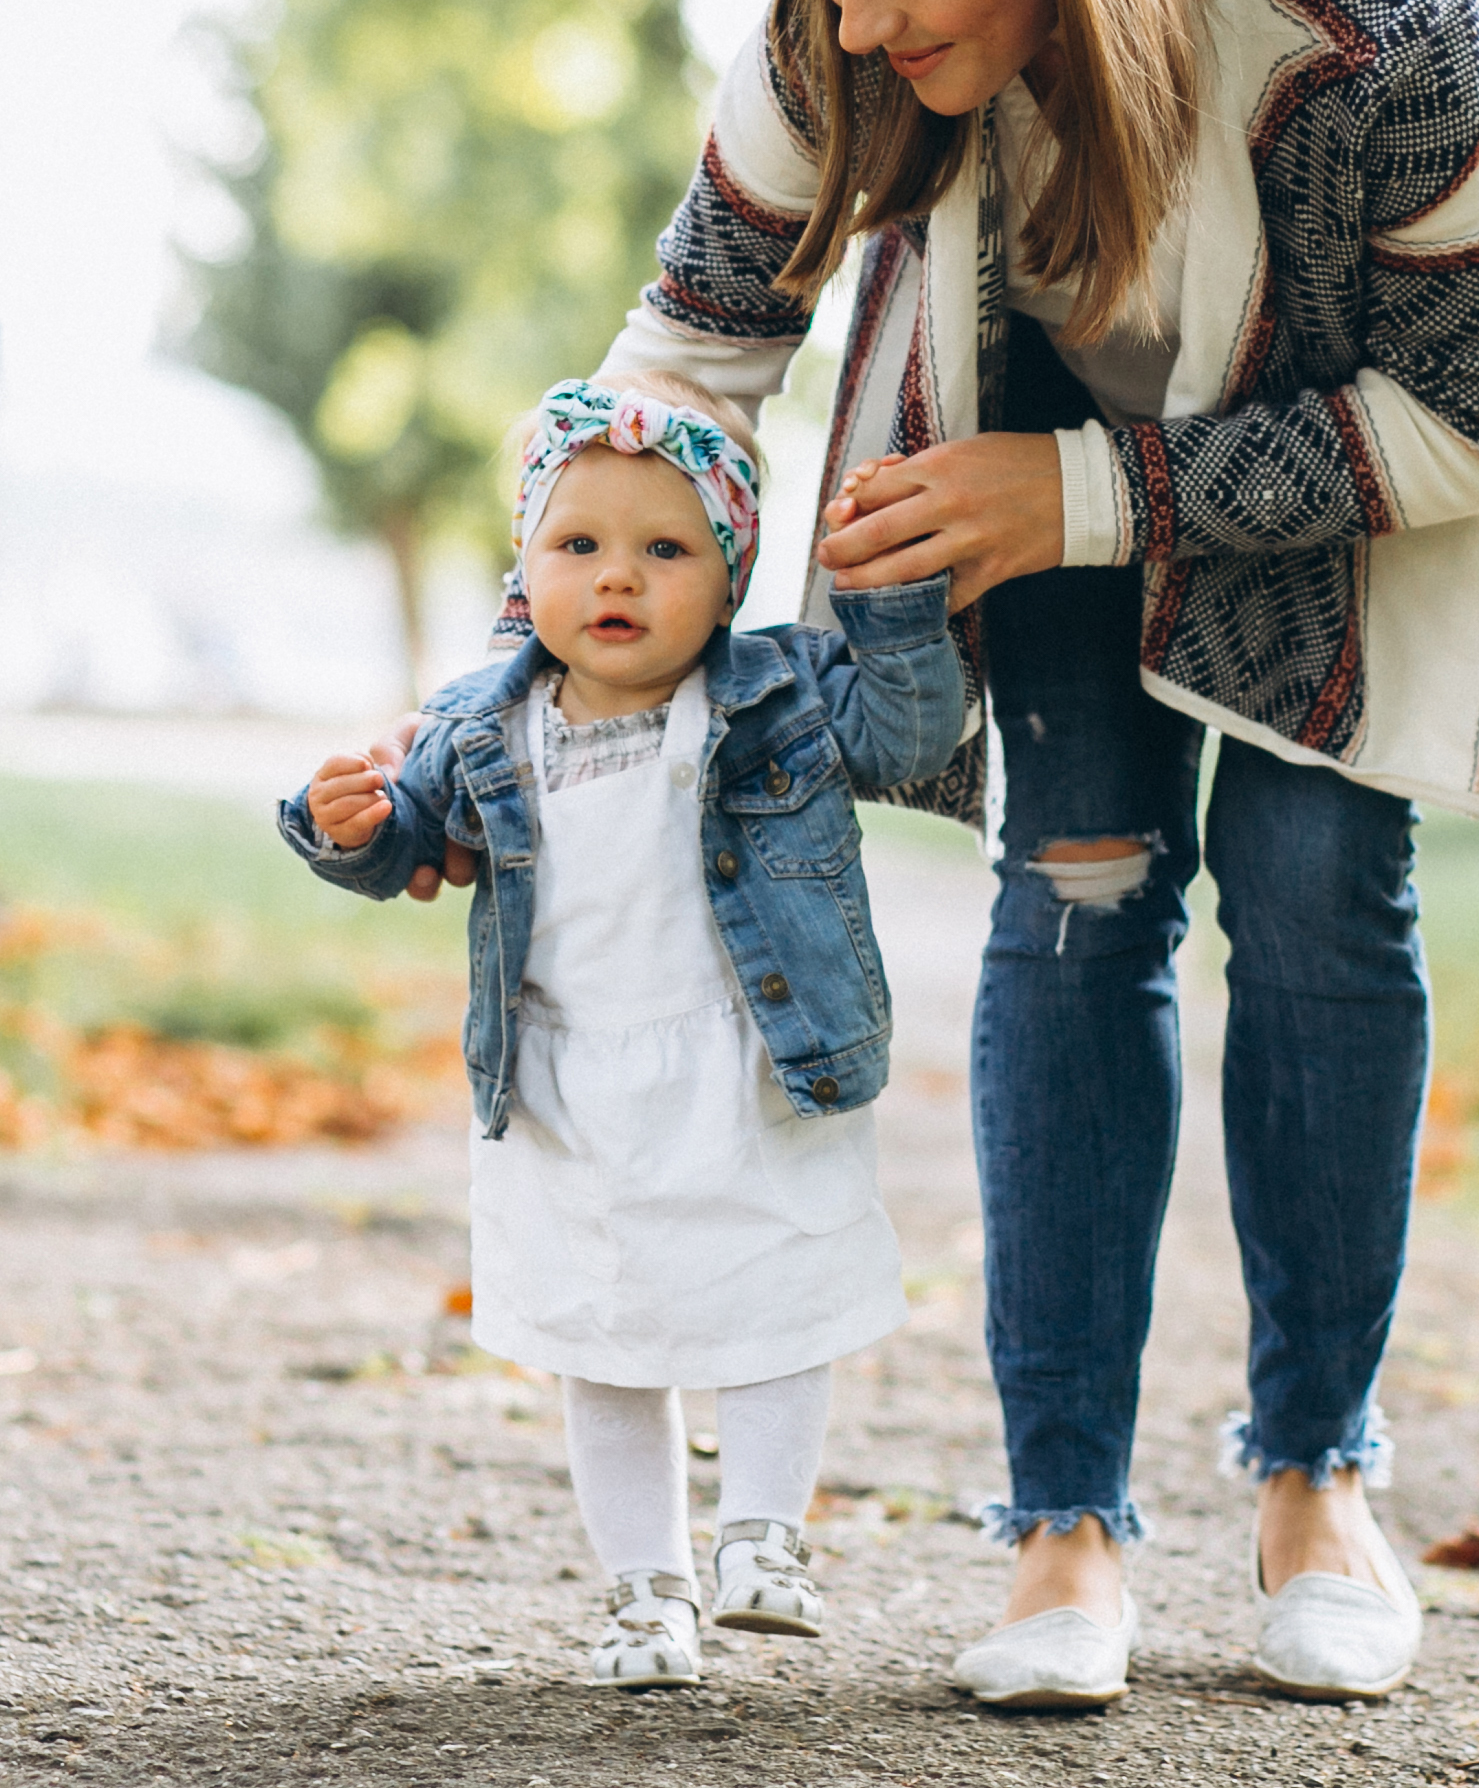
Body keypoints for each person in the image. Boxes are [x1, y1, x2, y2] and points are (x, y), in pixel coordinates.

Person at [401, 0, 1479, 1708]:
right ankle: (1061, 1532)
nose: (849, 31)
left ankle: (1316, 1479)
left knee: (1320, 886)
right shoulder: (837, 23)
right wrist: (519, 683)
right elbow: (685, 351)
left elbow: (1477, 429)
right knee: (1079, 887)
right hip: (1024, 381)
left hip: (1343, 433)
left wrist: (1078, 498)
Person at [281, 370, 970, 1690]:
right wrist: (344, 824)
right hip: (569, 1080)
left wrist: (888, 595)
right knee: (602, 1338)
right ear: (524, 568)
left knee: (780, 1293)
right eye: (577, 544)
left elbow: (913, 730)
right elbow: (405, 842)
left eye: (665, 550)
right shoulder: (481, 721)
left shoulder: (778, 693)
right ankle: (643, 1590)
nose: (617, 577)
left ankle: (762, 1538)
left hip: (750, 1056)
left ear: (728, 582)